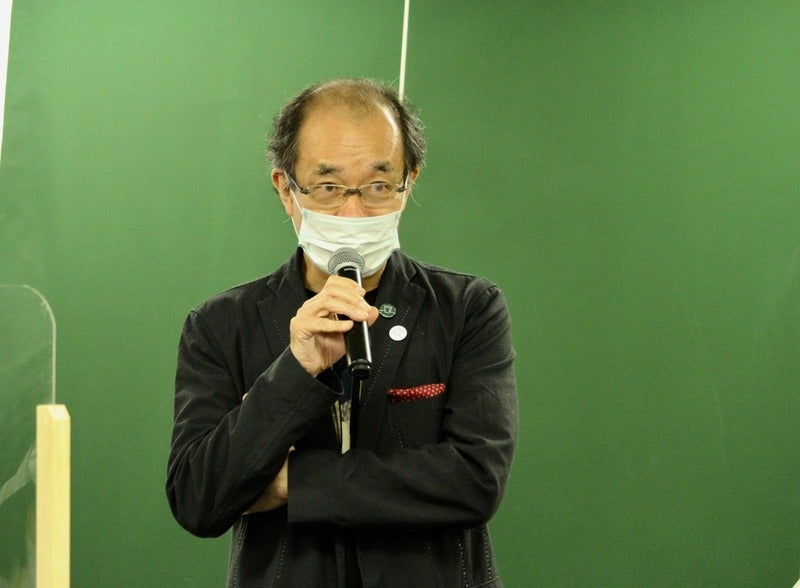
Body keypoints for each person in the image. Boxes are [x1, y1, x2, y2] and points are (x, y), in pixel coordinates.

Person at [166, 78, 518, 587]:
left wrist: (292, 482)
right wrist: (296, 370)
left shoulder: (468, 309)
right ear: (286, 190)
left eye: (378, 187)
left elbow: (475, 480)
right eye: (329, 188)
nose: (353, 213)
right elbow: (197, 497)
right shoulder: (220, 325)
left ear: (409, 183)